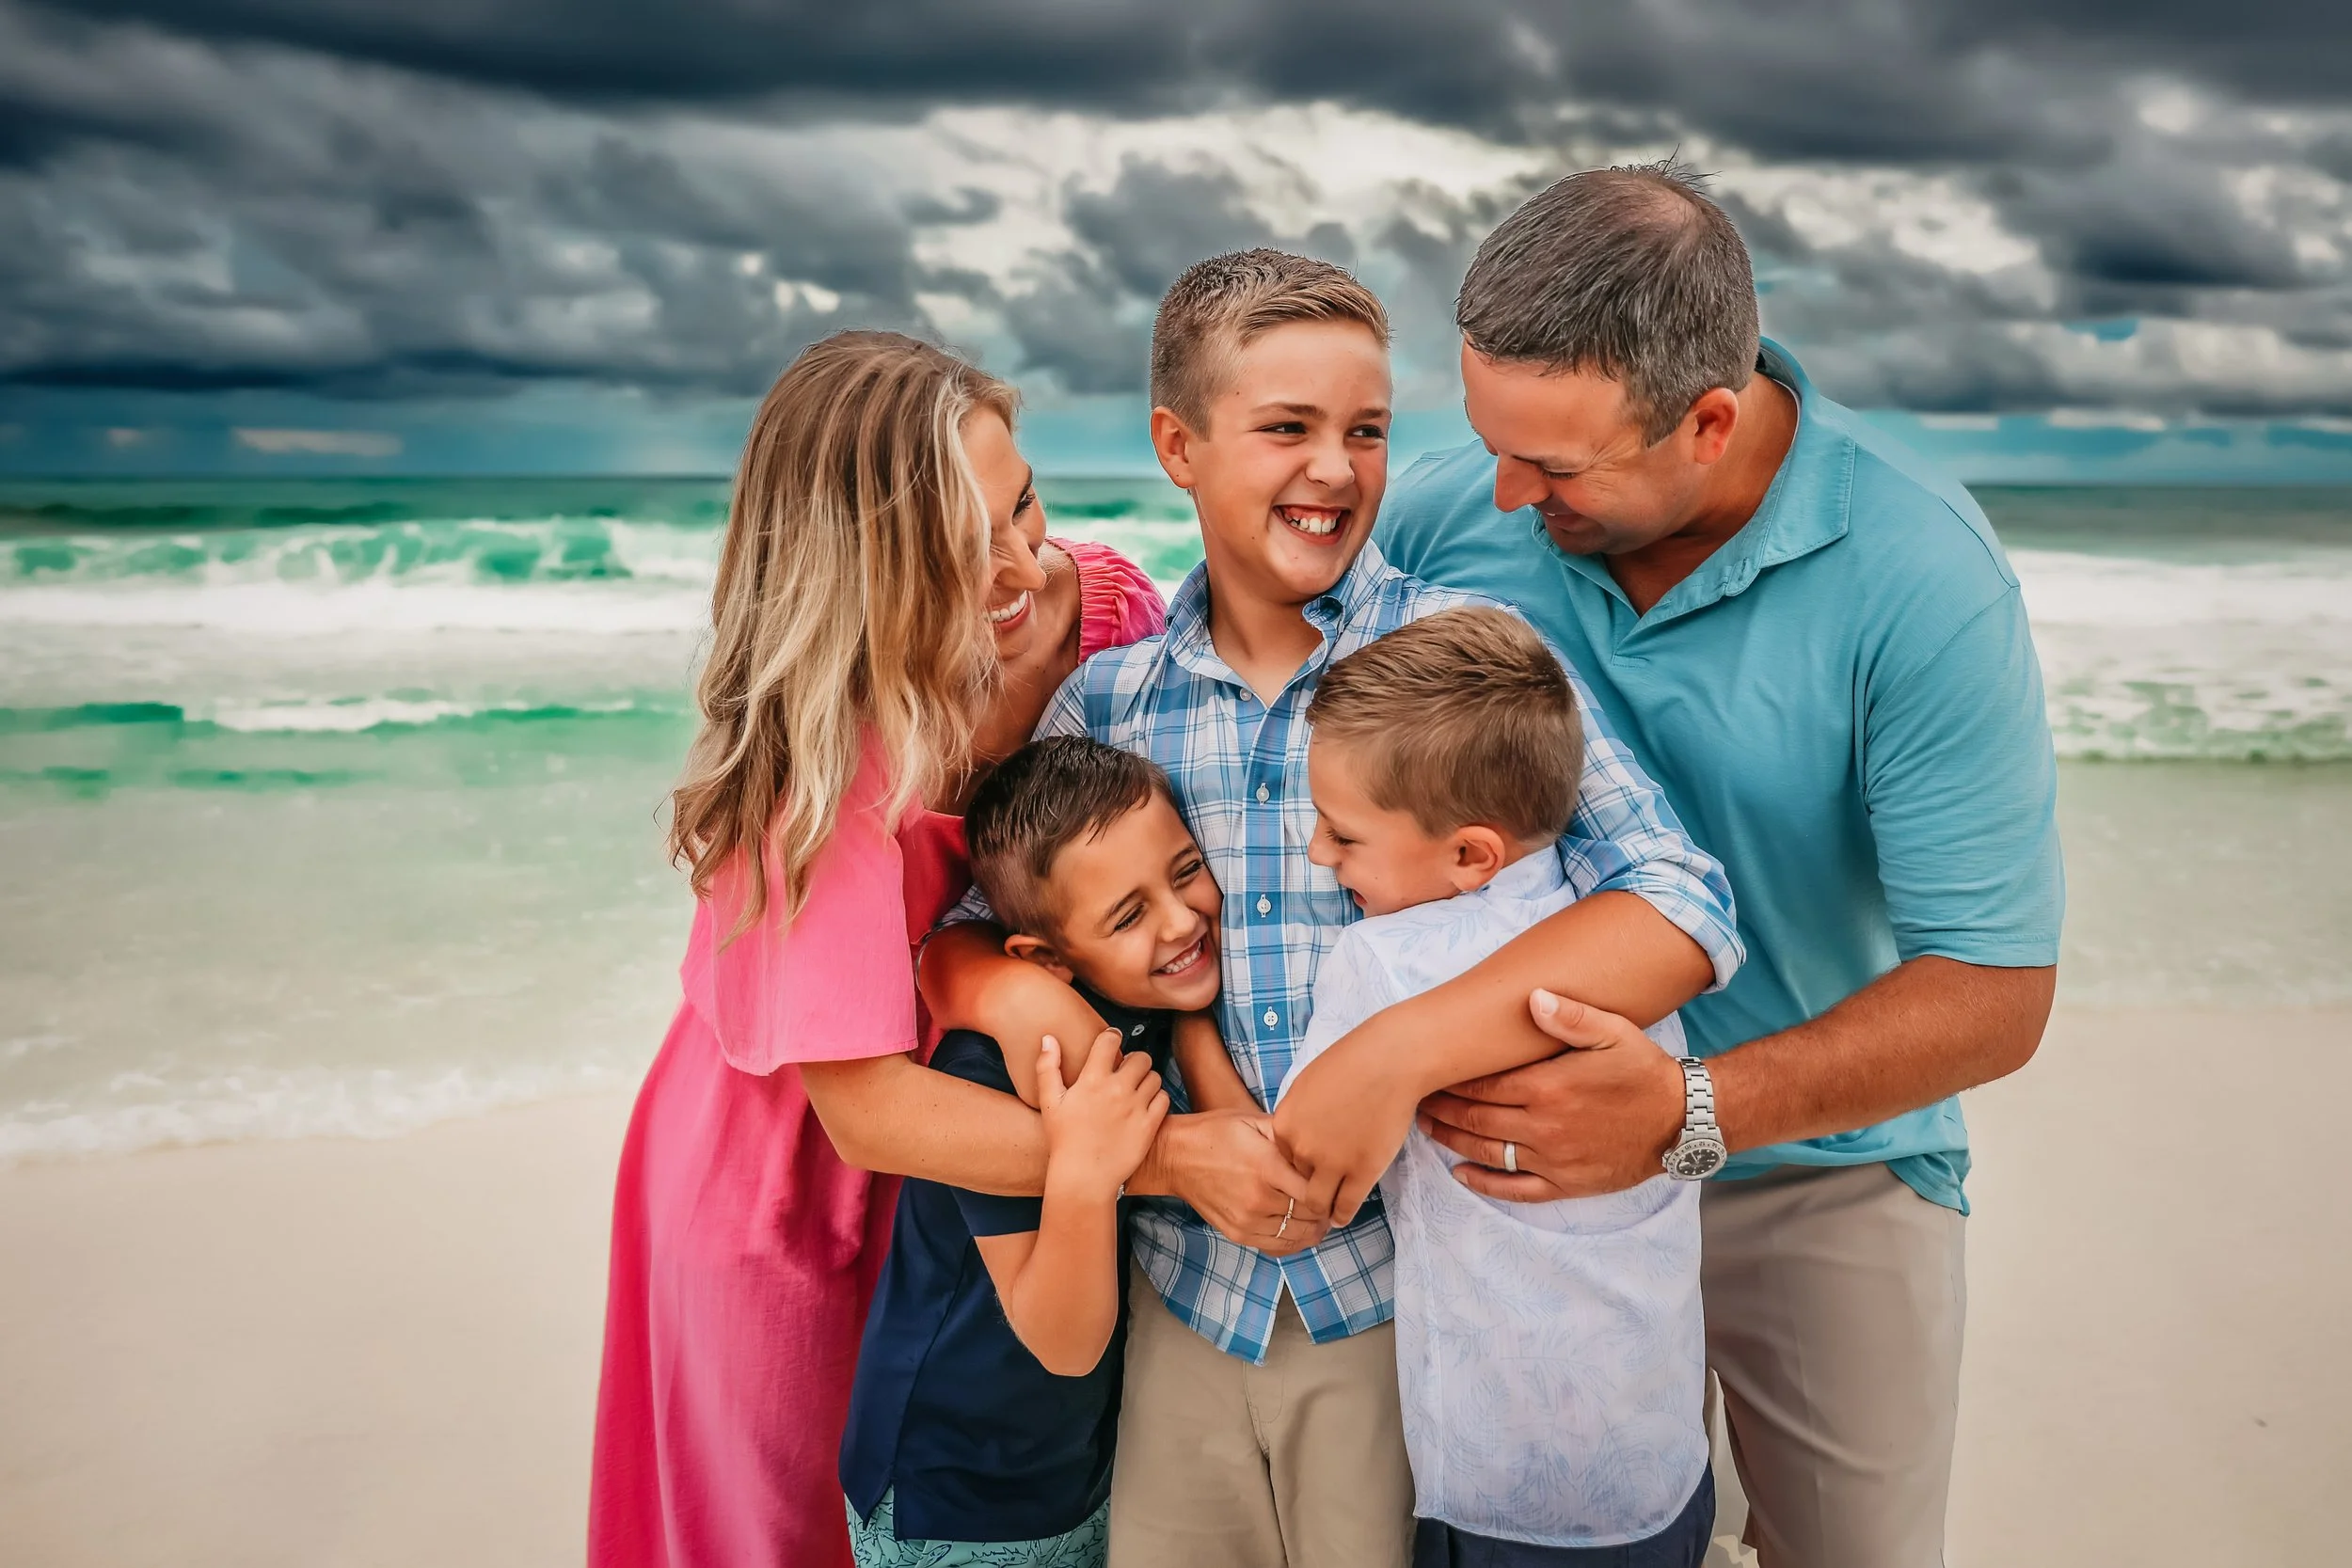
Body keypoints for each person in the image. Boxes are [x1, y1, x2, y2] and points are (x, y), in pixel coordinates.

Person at [922, 250, 1741, 1568]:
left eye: (1366, 430)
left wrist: (1392, 1054)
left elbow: (1680, 898)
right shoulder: (1107, 701)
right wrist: (1006, 988)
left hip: (1405, 1306)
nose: (1336, 468)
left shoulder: (1461, 661)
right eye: (1287, 428)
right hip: (1183, 1293)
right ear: (1178, 446)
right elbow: (974, 929)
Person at [1377, 163, 2066, 1568]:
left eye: (1556, 465)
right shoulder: (1450, 518)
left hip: (1819, 1164)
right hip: (1503, 1171)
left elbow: (1994, 988)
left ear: (1709, 420)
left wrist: (1687, 1109)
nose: (1505, 492)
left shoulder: (1923, 575)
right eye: (1493, 440)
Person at [587, 331, 1167, 1568]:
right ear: (865, 567)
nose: (1021, 568)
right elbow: (865, 1111)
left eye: (1024, 506)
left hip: (1002, 1161)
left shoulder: (1106, 616)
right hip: (789, 1185)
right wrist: (1164, 1158)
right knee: (796, 1528)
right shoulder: (820, 741)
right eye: (963, 549)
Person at [1277, 608, 1711, 1568]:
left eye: (1343, 833)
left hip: (1499, 1478)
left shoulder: (1383, 963)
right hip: (1659, 1456)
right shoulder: (1621, 942)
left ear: (1471, 853)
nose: (1318, 854)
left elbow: (1300, 1165)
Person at [842, 736, 1232, 1566]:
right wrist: (1085, 1172)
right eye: (1128, 915)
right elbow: (1064, 1340)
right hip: (951, 1491)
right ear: (1046, 959)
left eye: (1188, 870)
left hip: (1074, 1466)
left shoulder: (1140, 1003)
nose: (1180, 919)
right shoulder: (1000, 1067)